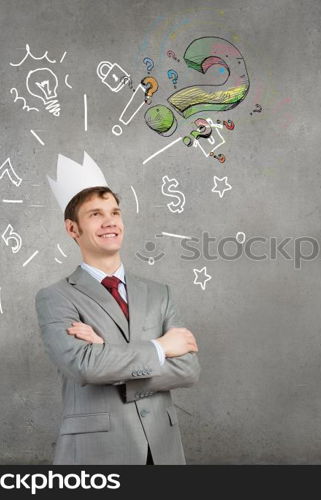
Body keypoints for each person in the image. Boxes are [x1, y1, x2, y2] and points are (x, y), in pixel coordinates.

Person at [35, 152, 200, 464]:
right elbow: (85, 366)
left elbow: (188, 369)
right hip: (96, 454)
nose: (110, 221)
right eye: (96, 214)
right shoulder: (55, 297)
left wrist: (107, 352)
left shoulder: (159, 293)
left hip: (163, 450)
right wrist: (160, 347)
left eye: (115, 212)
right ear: (73, 229)